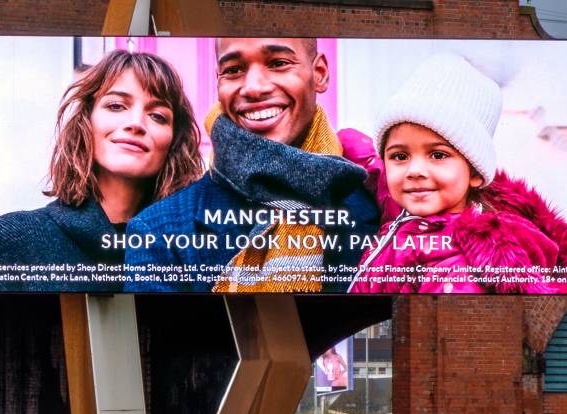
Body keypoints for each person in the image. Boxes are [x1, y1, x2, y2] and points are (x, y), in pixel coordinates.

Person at [122, 38, 379, 294]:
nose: (254, 88)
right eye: (233, 70)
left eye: (278, 63)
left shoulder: (381, 209)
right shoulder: (158, 234)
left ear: (319, 74)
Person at [343, 53, 567, 294]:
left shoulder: (456, 269)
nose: (415, 171)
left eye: (438, 155)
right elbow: (368, 161)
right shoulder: (415, 206)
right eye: (400, 156)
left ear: (474, 172)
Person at [0, 50, 202, 292]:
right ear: (86, 122)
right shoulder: (12, 240)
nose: (136, 123)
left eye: (158, 116)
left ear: (173, 141)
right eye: (116, 106)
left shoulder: (193, 252)